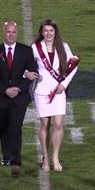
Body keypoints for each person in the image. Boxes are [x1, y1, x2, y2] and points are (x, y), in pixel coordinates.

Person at [27, 19, 79, 172]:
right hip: (42, 91)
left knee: (58, 124)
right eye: (46, 31)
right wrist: (27, 73)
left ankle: (55, 157)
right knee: (45, 125)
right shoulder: (35, 48)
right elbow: (25, 65)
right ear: (42, 32)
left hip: (58, 91)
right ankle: (45, 157)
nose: (48, 33)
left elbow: (73, 65)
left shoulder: (64, 47)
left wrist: (64, 84)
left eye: (51, 30)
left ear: (55, 32)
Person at [0, 21, 37, 177]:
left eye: (14, 32)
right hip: (1, 97)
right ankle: (6, 156)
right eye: (8, 32)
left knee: (15, 128)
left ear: (17, 33)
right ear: (4, 32)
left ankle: (16, 161)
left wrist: (19, 88)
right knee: (3, 128)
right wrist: (5, 90)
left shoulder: (26, 51)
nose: (11, 35)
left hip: (19, 98)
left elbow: (33, 73)